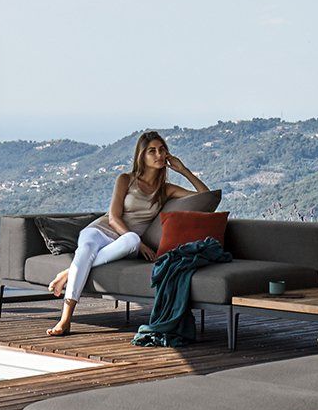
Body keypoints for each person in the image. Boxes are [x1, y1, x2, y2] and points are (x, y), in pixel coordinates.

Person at [45, 130, 210, 336]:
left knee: (131, 238)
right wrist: (140, 245)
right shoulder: (125, 179)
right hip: (101, 230)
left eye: (162, 150)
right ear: (141, 156)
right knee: (87, 247)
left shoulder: (166, 190)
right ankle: (66, 318)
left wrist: (183, 170)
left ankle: (70, 272)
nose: (159, 155)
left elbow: (206, 199)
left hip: (126, 243)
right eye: (152, 151)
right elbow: (114, 218)